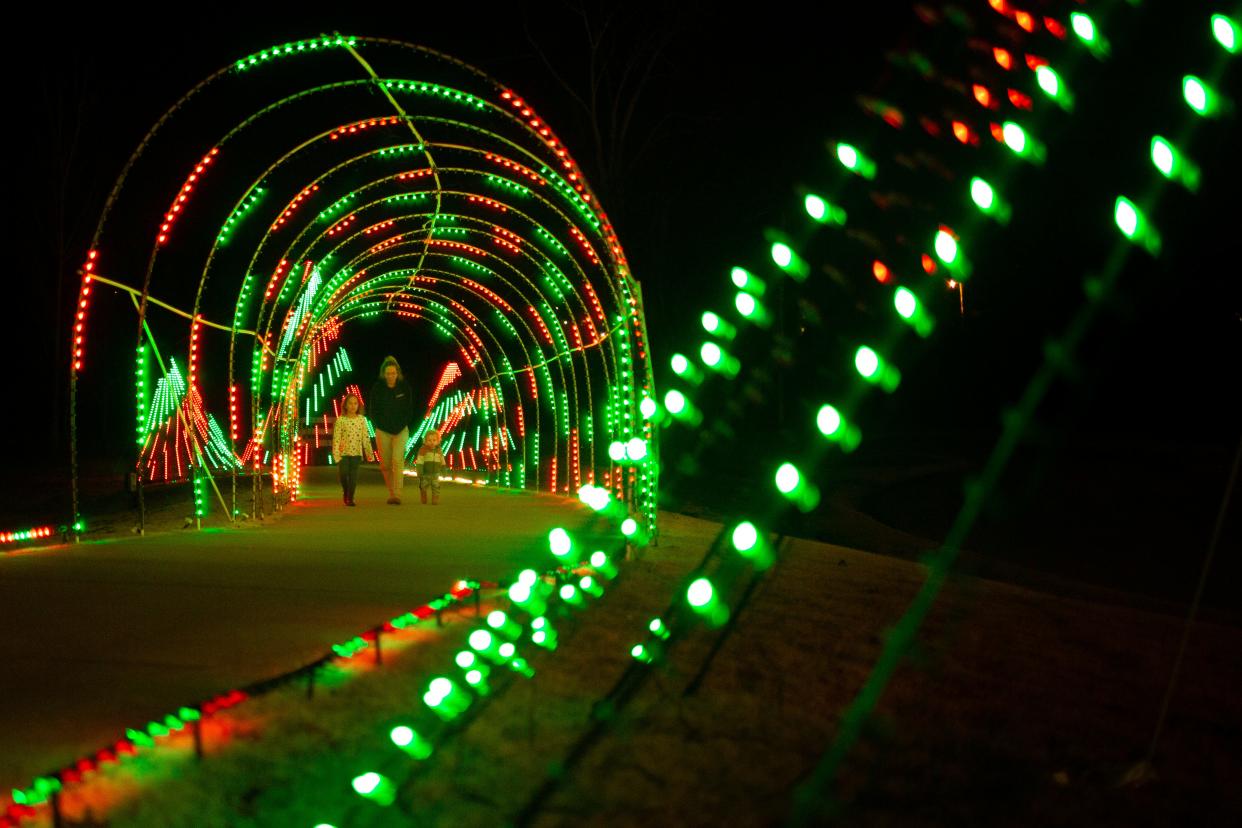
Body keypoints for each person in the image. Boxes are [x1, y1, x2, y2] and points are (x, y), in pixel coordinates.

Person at [369, 356, 415, 504]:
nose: (390, 376)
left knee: (397, 460)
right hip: (383, 431)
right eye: (388, 373)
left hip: (401, 430)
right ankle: (391, 492)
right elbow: (373, 410)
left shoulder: (404, 387)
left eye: (393, 373)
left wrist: (403, 423)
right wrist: (378, 424)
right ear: (384, 374)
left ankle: (398, 494)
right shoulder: (377, 388)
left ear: (397, 373)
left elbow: (409, 409)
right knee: (385, 465)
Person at [331, 393, 374, 506]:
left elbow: (365, 436)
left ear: (358, 406)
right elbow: (336, 437)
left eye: (355, 403)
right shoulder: (341, 420)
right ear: (345, 405)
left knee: (353, 476)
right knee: (344, 473)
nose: (353, 406)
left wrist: (369, 452)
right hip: (343, 452)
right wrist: (336, 453)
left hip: (356, 452)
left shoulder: (362, 420)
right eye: (350, 403)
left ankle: (350, 498)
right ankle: (346, 491)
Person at [415, 429, 446, 505]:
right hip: (425, 474)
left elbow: (442, 460)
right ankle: (423, 495)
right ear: (425, 441)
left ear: (438, 441)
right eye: (429, 440)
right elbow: (420, 461)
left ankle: (435, 498)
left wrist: (444, 469)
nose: (432, 442)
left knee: (436, 486)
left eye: (434, 440)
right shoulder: (423, 450)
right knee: (423, 486)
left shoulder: (439, 450)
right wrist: (419, 471)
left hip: (435, 474)